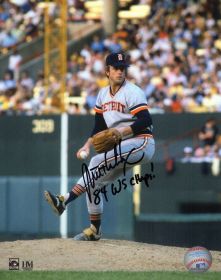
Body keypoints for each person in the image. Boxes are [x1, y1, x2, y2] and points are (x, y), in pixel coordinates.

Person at [44, 52, 155, 241]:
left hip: (141, 142)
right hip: (122, 148)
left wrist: (122, 132)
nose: (120, 72)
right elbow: (99, 127)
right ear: (107, 71)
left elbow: (146, 120)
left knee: (96, 161)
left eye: (123, 68)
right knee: (93, 183)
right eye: (116, 68)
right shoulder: (103, 94)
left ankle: (65, 200)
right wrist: (87, 145)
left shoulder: (133, 91)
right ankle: (95, 230)